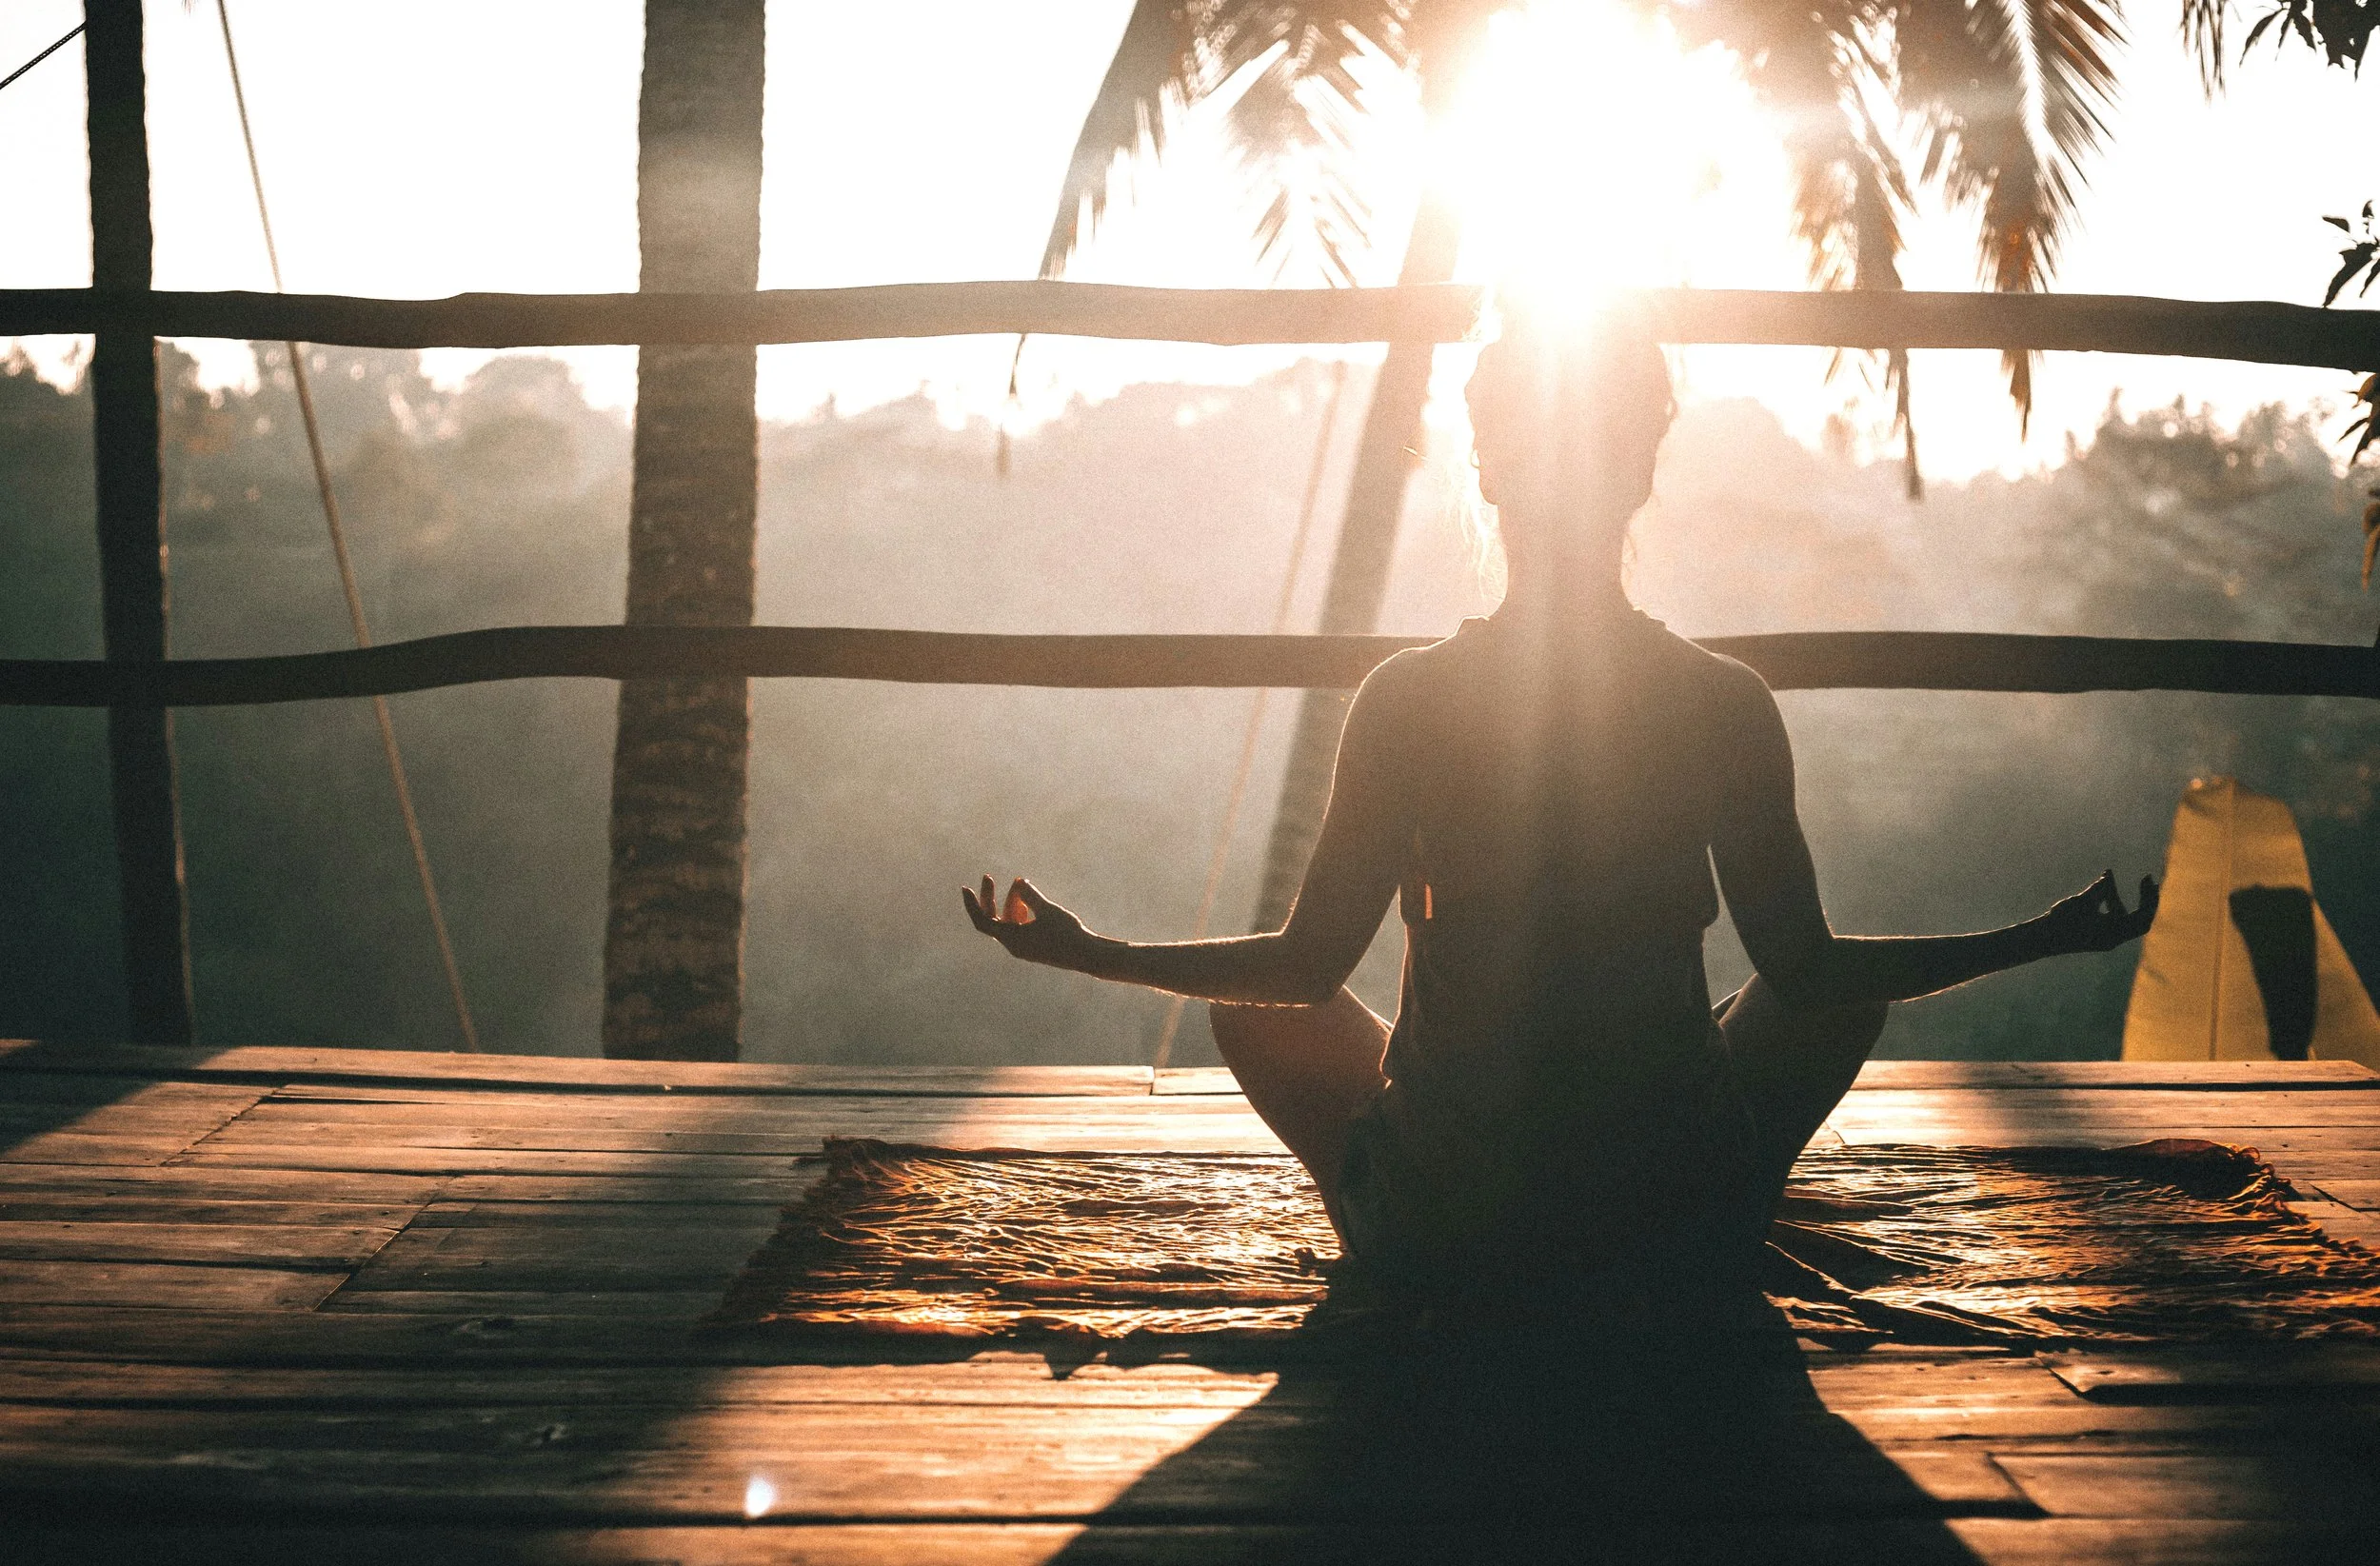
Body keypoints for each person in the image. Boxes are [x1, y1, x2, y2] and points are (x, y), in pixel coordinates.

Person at [963, 301, 2157, 1300]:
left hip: (1453, 1231)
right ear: (1640, 470)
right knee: (1828, 1003)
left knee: (1251, 1013)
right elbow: (1809, 971)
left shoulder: (1407, 699)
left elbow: (1302, 962)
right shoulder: (1718, 700)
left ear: (1488, 467)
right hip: (1668, 1231)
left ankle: (1399, 1234)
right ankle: (1712, 1206)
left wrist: (1085, 951)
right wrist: (2044, 935)